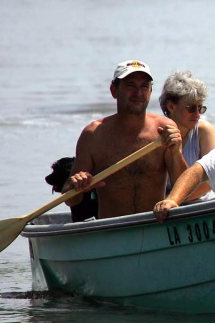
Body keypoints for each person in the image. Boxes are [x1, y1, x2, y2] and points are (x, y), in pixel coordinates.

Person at [63, 60, 187, 219]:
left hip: (155, 227)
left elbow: (185, 188)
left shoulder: (163, 130)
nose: (138, 92)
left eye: (144, 86)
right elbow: (71, 199)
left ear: (150, 91)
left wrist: (176, 153)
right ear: (114, 90)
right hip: (112, 230)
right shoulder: (93, 135)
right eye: (130, 85)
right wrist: (76, 185)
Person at [159, 70, 215, 204]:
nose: (197, 115)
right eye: (191, 108)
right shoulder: (157, 133)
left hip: (201, 205)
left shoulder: (203, 131)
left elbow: (210, 181)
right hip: (168, 209)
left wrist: (174, 200)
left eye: (200, 108)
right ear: (171, 106)